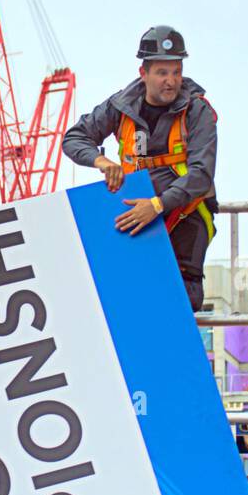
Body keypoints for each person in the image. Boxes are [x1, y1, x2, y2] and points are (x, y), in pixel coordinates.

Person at [61, 25, 219, 312]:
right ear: (143, 73)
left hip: (185, 218)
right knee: (127, 301)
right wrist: (101, 161)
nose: (171, 81)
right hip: (133, 219)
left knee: (180, 302)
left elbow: (201, 173)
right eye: (162, 72)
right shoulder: (121, 105)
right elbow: (74, 138)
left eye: (176, 71)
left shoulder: (197, 111)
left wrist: (157, 205)